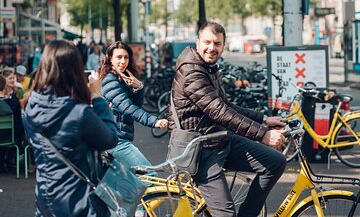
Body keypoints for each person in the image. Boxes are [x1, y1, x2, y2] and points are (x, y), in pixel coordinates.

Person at [168, 21, 287, 217]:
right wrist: (263, 134)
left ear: (223, 45)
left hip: (219, 139)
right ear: (197, 42)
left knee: (275, 162)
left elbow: (226, 106)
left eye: (217, 44)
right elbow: (219, 112)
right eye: (207, 42)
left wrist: (264, 119)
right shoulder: (192, 71)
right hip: (201, 150)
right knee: (225, 214)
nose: (211, 48)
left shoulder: (208, 67)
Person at [22, 40, 118, 216]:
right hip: (77, 201)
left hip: (45, 198)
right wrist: (97, 97)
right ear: (75, 70)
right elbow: (110, 139)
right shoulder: (78, 113)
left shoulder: (30, 105)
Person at [100, 41, 168, 174]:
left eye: (126, 57)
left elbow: (136, 106)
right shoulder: (110, 81)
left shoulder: (122, 78)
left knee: (126, 186)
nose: (123, 61)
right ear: (110, 58)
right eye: (119, 57)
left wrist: (139, 88)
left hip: (119, 137)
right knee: (150, 176)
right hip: (116, 139)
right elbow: (129, 108)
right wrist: (154, 122)